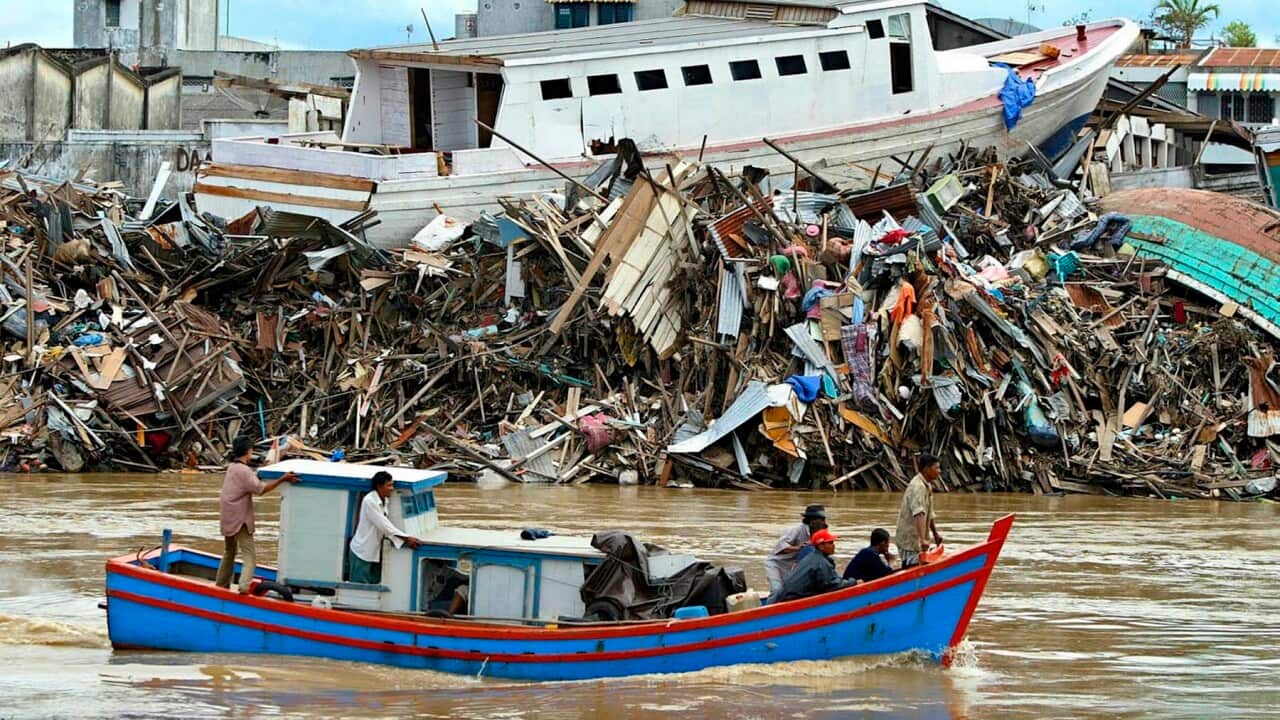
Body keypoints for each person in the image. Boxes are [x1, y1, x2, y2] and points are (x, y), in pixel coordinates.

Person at [215, 437, 299, 593]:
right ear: (249, 451)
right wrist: (282, 479)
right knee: (250, 556)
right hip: (239, 518)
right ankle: (244, 587)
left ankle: (220, 585)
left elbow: (250, 481)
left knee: (229, 551)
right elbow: (261, 489)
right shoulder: (244, 471)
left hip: (227, 515)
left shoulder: (232, 467)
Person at [348, 471, 424, 584]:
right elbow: (384, 524)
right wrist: (406, 538)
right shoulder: (370, 501)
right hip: (362, 551)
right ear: (379, 486)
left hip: (374, 550)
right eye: (389, 485)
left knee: (373, 583)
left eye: (392, 485)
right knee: (359, 586)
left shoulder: (385, 500)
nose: (392, 488)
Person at [768, 529, 856, 603]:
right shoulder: (820, 562)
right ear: (821, 546)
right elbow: (832, 585)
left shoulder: (813, 557)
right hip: (792, 600)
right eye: (830, 542)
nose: (833, 545)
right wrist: (853, 582)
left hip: (786, 597)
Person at [896, 453, 945, 569]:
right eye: (936, 468)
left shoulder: (927, 485)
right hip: (909, 539)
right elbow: (919, 514)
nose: (939, 471)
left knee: (919, 565)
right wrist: (922, 539)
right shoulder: (918, 487)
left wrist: (935, 533)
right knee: (911, 567)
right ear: (927, 469)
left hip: (917, 538)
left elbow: (929, 514)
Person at [764, 505, 827, 594]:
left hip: (791, 567)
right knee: (776, 590)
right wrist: (798, 548)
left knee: (789, 592)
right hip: (776, 564)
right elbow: (781, 547)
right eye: (821, 519)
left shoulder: (818, 532)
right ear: (811, 519)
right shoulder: (796, 530)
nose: (823, 521)